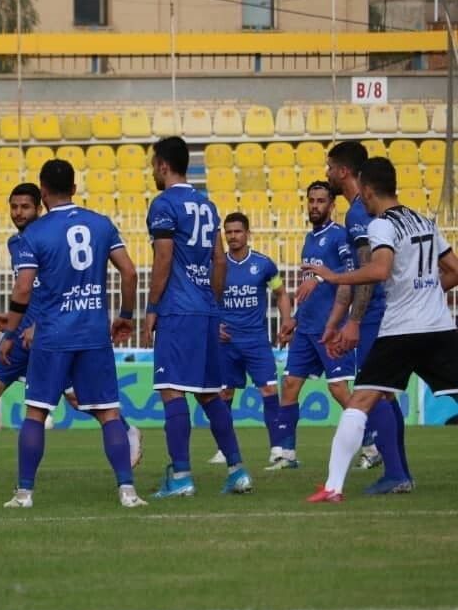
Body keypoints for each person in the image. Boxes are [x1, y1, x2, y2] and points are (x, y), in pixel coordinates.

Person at [0, 183, 142, 475]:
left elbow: (61, 291)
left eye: (25, 207)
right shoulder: (16, 243)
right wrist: (14, 320)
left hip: (52, 333)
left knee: (77, 398)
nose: (18, 212)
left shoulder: (50, 238)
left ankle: (127, 430)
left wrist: (38, 325)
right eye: (14, 206)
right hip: (23, 333)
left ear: (39, 208)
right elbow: (31, 291)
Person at [305, 157, 458, 501]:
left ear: (368, 190)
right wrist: (427, 294)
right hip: (439, 327)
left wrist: (334, 277)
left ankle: (333, 487)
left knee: (360, 400)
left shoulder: (381, 225)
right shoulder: (422, 220)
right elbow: (454, 269)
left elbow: (379, 270)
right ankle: (384, 476)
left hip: (401, 330)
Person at [0, 159, 146, 509]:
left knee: (36, 412)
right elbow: (129, 273)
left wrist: (11, 333)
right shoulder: (101, 224)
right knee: (108, 413)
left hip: (52, 334)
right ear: (74, 189)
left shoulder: (35, 233)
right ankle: (127, 491)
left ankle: (24, 494)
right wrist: (125, 316)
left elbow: (23, 289)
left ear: (43, 192)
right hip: (93, 332)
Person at [145, 136, 252, 498]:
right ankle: (237, 471)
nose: (153, 171)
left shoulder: (163, 204)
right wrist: (213, 304)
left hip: (178, 309)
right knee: (209, 394)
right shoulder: (207, 205)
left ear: (163, 165)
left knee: (172, 390)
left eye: (153, 165)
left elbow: (163, 258)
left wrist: (152, 307)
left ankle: (181, 476)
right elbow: (220, 260)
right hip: (206, 309)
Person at [324, 140, 401, 471]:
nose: (327, 173)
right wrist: (335, 322)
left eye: (330, 167)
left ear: (343, 171)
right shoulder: (362, 211)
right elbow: (353, 274)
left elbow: (368, 271)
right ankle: (398, 469)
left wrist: (354, 321)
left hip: (375, 313)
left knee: (371, 390)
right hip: (385, 310)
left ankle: (396, 472)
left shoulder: (358, 213)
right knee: (384, 392)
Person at [272, 181, 356, 469]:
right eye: (311, 200)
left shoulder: (340, 235)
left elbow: (352, 271)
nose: (315, 206)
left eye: (321, 201)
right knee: (290, 385)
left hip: (330, 327)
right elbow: (309, 290)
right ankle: (287, 454)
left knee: (339, 389)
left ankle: (371, 444)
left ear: (332, 205)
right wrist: (294, 319)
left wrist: (320, 277)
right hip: (306, 328)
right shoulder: (309, 239)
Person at [207, 212, 293, 467]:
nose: (233, 236)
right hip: (226, 343)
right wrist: (213, 326)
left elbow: (281, 293)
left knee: (269, 389)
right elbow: (206, 299)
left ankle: (277, 448)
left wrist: (286, 320)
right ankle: (224, 450)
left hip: (256, 341)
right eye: (229, 232)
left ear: (247, 233)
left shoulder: (264, 265)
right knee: (224, 393)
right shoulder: (216, 266)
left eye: (237, 231)